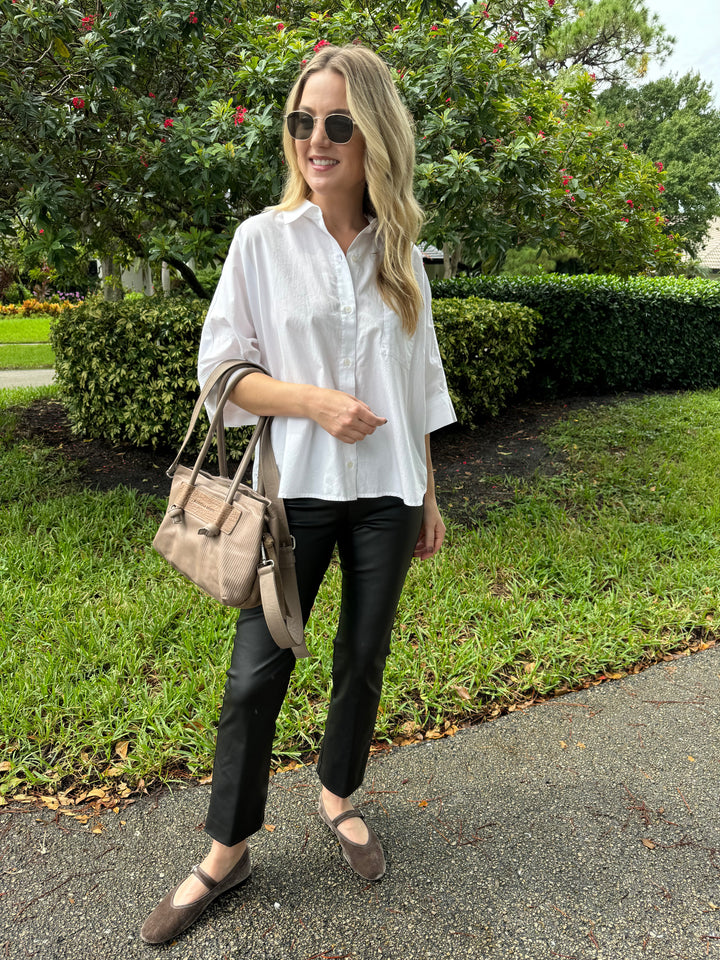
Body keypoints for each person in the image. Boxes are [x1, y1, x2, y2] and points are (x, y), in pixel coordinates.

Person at [140, 43, 456, 945]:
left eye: (338, 124)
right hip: (295, 497)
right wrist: (311, 402)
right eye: (302, 121)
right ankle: (226, 848)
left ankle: (338, 791)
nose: (316, 139)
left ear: (375, 138)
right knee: (255, 676)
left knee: (362, 657)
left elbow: (421, 387)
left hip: (389, 495)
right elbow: (217, 376)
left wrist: (428, 497)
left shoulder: (403, 254)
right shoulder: (261, 242)